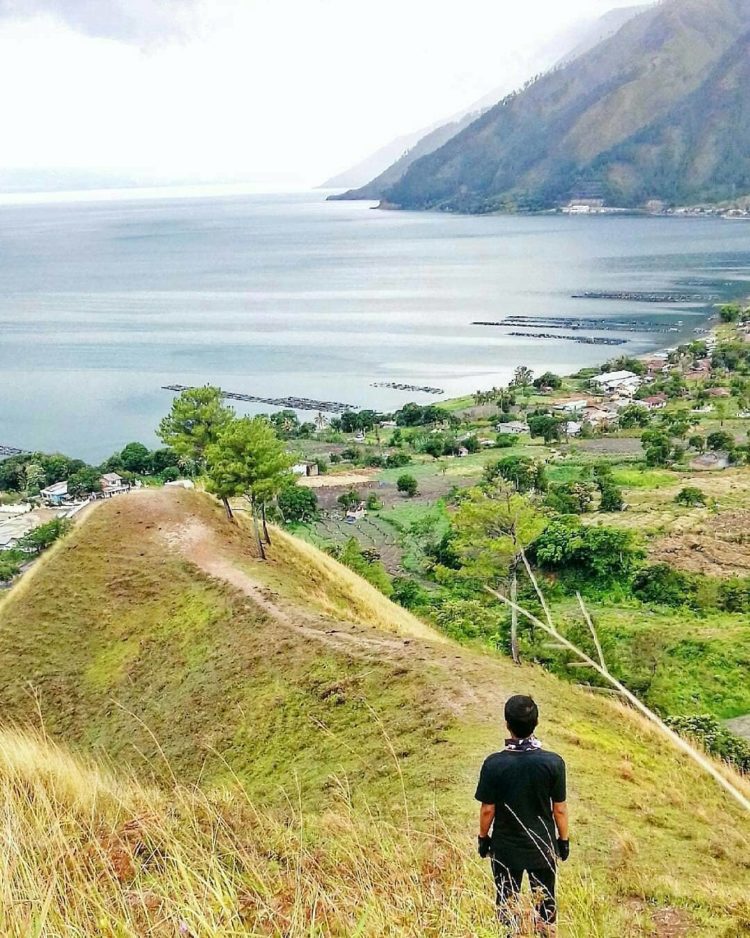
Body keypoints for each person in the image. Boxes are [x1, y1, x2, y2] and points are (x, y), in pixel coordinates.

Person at [475, 695, 568, 935]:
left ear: (507, 723)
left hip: (506, 847)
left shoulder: (494, 764)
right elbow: (559, 808)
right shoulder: (553, 763)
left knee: (507, 903)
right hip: (541, 845)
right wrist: (563, 840)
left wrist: (483, 839)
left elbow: (488, 809)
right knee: (545, 905)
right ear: (536, 723)